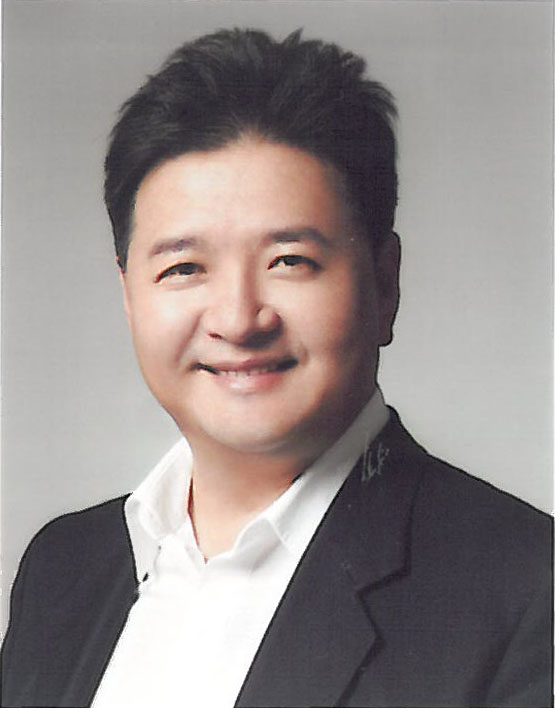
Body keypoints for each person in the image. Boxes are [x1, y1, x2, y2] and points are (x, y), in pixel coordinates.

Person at [1, 28, 551, 708]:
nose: (238, 319)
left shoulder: (524, 589)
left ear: (385, 283)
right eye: (184, 268)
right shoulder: (63, 568)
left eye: (289, 260)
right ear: (129, 296)